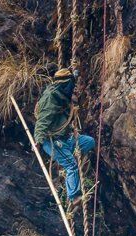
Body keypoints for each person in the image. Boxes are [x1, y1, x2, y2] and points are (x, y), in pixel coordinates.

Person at [33, 68, 95, 213]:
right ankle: (74, 197)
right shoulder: (51, 98)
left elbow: (68, 80)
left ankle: (66, 157)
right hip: (53, 141)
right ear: (64, 86)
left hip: (66, 138)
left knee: (89, 141)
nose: (73, 89)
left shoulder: (63, 92)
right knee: (72, 166)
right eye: (71, 86)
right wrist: (38, 140)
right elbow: (42, 121)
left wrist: (74, 74)